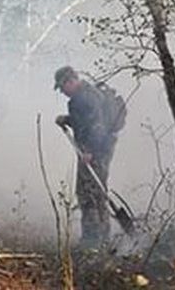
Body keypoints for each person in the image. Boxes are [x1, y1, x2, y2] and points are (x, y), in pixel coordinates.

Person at [54, 65, 117, 248]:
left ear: (71, 81)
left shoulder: (85, 97)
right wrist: (67, 120)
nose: (63, 92)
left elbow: (97, 125)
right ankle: (103, 238)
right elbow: (84, 122)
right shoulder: (85, 95)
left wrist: (90, 150)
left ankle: (92, 241)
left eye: (62, 87)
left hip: (95, 152)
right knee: (97, 192)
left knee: (88, 193)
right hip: (98, 150)